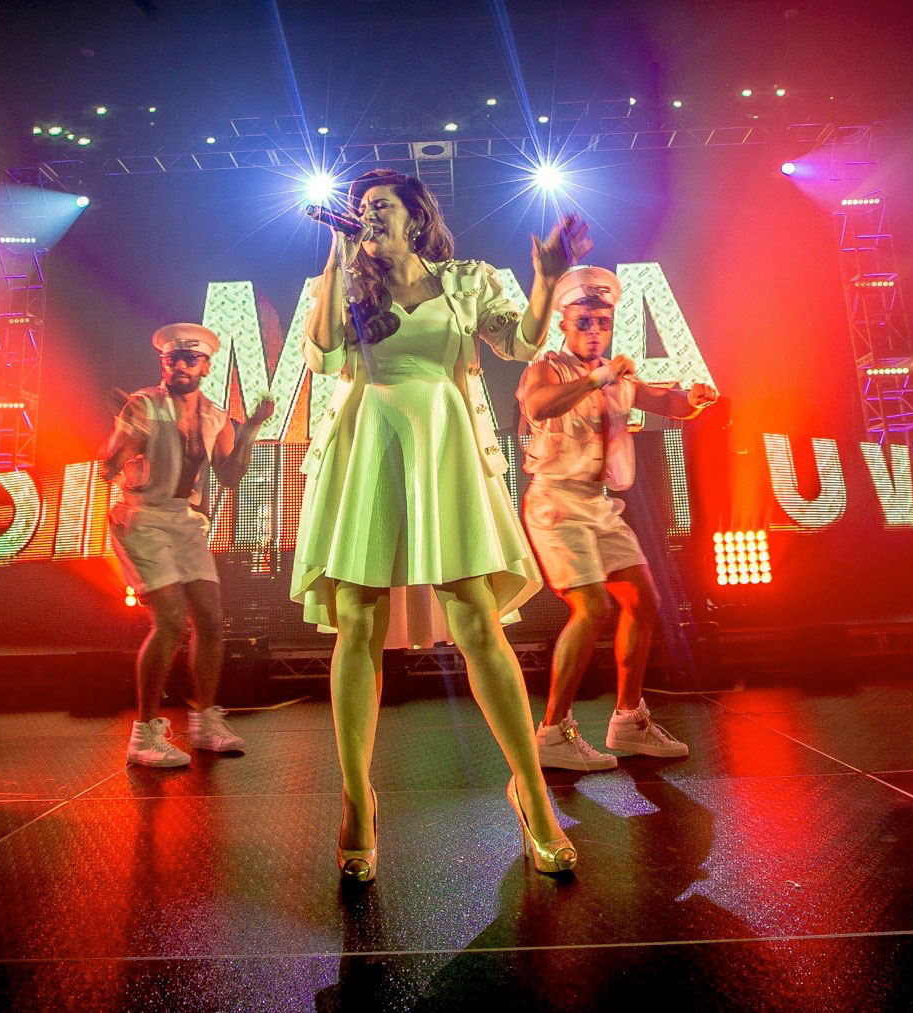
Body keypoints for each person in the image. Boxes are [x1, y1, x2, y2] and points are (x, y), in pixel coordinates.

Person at [293, 167, 590, 881]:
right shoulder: (338, 281)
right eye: (359, 207)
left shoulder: (466, 281)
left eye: (380, 205)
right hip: (366, 445)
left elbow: (520, 343)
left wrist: (547, 280)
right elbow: (323, 355)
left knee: (476, 619)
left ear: (415, 217)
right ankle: (357, 801)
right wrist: (336, 257)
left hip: (444, 447)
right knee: (359, 619)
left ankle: (532, 793)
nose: (367, 215)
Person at [516, 266, 719, 770]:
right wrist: (595, 379)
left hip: (599, 505)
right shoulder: (548, 369)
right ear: (564, 323)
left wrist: (693, 402)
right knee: (592, 609)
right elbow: (538, 407)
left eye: (602, 322)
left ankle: (629, 720)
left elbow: (665, 401)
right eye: (583, 322)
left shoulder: (618, 376)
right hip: (555, 503)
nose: (593, 331)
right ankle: (553, 733)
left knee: (643, 601)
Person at [101, 322, 275, 767]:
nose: (179, 366)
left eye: (189, 359)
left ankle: (205, 722)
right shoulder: (144, 405)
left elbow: (230, 476)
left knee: (212, 620)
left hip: (185, 521)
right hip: (142, 518)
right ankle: (144, 734)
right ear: (164, 363)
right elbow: (109, 465)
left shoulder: (215, 417)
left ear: (205, 366)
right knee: (171, 622)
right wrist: (128, 438)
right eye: (172, 358)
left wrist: (252, 428)